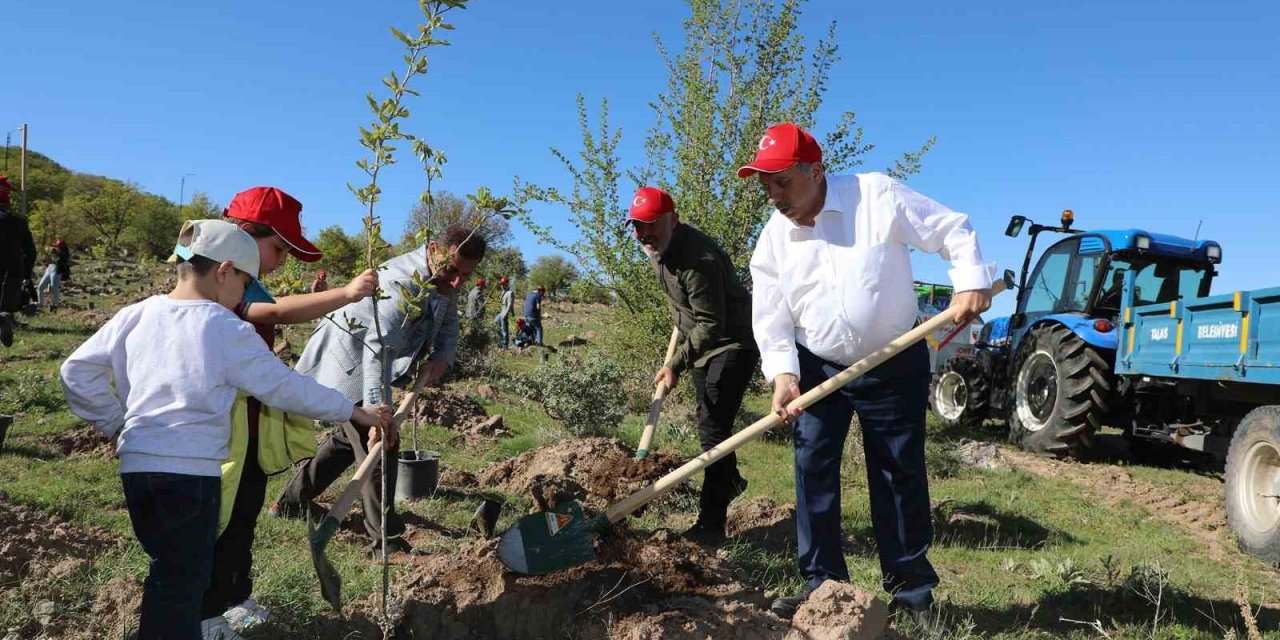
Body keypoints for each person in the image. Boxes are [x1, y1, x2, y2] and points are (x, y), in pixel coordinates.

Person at [59, 219, 392, 640]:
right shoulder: (225, 328)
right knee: (183, 582)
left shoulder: (136, 314)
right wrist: (353, 411)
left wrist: (115, 423)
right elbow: (284, 387)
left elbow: (76, 372)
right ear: (225, 270)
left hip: (138, 470)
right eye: (246, 282)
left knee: (167, 568)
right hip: (192, 475)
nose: (244, 294)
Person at [740, 122, 993, 621]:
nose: (772, 195)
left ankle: (911, 594)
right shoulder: (773, 238)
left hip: (893, 361)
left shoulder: (877, 196)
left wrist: (969, 281)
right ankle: (822, 588)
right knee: (813, 472)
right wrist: (783, 375)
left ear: (815, 171)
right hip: (817, 367)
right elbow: (770, 314)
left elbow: (951, 229)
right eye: (765, 184)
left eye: (781, 182)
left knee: (897, 473)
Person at [205, 185, 380, 636]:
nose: (282, 258)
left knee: (243, 508)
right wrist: (345, 293)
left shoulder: (243, 281)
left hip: (246, 425)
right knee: (219, 517)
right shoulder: (223, 287)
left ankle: (233, 594)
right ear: (243, 235)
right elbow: (276, 313)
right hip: (217, 426)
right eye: (279, 247)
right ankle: (208, 609)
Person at [272, 224, 487, 557]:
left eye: (465, 275)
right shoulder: (402, 284)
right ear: (433, 249)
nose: (457, 280)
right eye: (452, 270)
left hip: (373, 359)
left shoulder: (444, 279)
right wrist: (378, 414)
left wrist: (442, 358)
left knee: (349, 439)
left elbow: (448, 322)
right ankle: (385, 542)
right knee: (381, 444)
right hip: (348, 360)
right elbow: (377, 350)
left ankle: (290, 502)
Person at [627, 186, 758, 545]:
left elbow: (711, 324)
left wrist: (675, 363)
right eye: (637, 226)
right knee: (710, 425)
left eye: (651, 224)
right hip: (701, 345)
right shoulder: (660, 249)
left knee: (713, 430)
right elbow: (687, 309)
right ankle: (729, 481)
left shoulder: (697, 260)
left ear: (673, 219)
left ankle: (711, 525)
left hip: (732, 344)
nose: (643, 234)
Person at [0, 175, 35, 347]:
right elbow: (31, 252)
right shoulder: (19, 222)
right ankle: (5, 318)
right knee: (6, 307)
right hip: (14, 272)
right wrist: (26, 274)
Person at [495, 276, 514, 348]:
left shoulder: (510, 293)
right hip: (501, 313)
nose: (501, 285)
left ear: (507, 284)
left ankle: (505, 346)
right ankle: (500, 343)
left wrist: (505, 314)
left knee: (506, 330)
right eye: (501, 284)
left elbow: (510, 305)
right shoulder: (503, 292)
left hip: (508, 314)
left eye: (503, 284)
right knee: (497, 327)